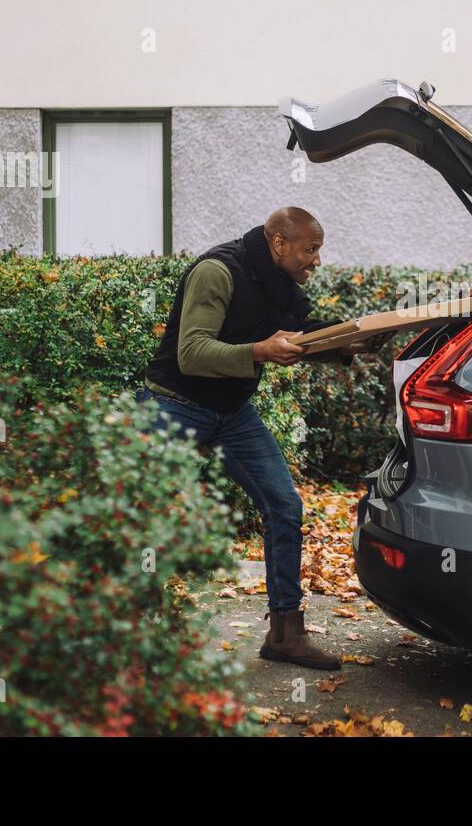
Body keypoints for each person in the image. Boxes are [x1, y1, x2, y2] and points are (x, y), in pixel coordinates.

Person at [141, 207, 383, 670]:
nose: (316, 260)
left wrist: (344, 344)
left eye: (319, 250)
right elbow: (191, 353)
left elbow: (293, 339)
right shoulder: (217, 272)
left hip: (231, 413)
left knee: (284, 506)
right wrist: (259, 351)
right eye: (310, 250)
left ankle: (285, 635)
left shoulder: (277, 286)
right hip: (173, 404)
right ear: (279, 244)